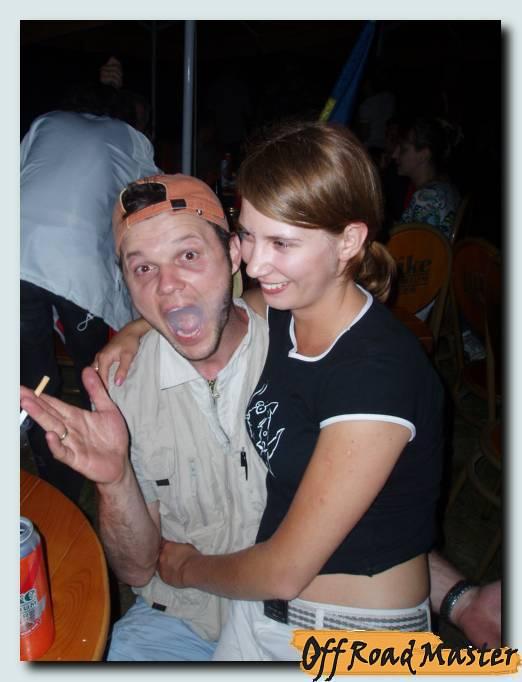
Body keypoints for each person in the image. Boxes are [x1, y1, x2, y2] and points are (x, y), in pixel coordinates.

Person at [20, 170, 500, 659]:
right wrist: (115, 479)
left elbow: (363, 514)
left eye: (189, 256)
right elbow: (137, 569)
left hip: (299, 612)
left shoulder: (303, 349)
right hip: (184, 614)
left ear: (233, 255)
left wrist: (458, 598)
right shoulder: (122, 388)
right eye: (143, 268)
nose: (168, 286)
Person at [20, 74, 159, 502]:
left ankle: (54, 483)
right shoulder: (129, 137)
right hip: (76, 267)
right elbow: (155, 196)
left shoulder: (47, 122)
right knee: (97, 372)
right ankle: (112, 465)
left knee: (37, 379)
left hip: (16, 255)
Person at [392, 115, 462, 240]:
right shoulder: (446, 187)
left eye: (403, 149)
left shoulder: (427, 198)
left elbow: (414, 248)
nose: (394, 155)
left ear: (424, 155)